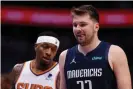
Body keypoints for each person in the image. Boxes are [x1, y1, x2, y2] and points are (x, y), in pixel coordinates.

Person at [59, 5, 132, 89]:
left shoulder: (115, 52)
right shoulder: (64, 56)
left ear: (96, 27)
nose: (77, 29)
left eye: (83, 25)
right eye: (75, 25)